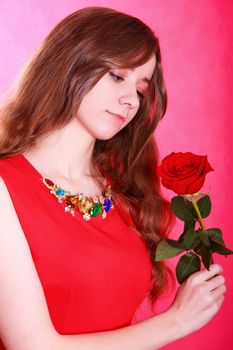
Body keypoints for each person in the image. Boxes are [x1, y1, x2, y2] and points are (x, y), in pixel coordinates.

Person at [0, 6, 226, 350]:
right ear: (70, 63)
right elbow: (32, 345)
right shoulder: (6, 185)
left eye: (141, 88)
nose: (130, 101)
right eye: (117, 76)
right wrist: (178, 320)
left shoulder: (122, 190)